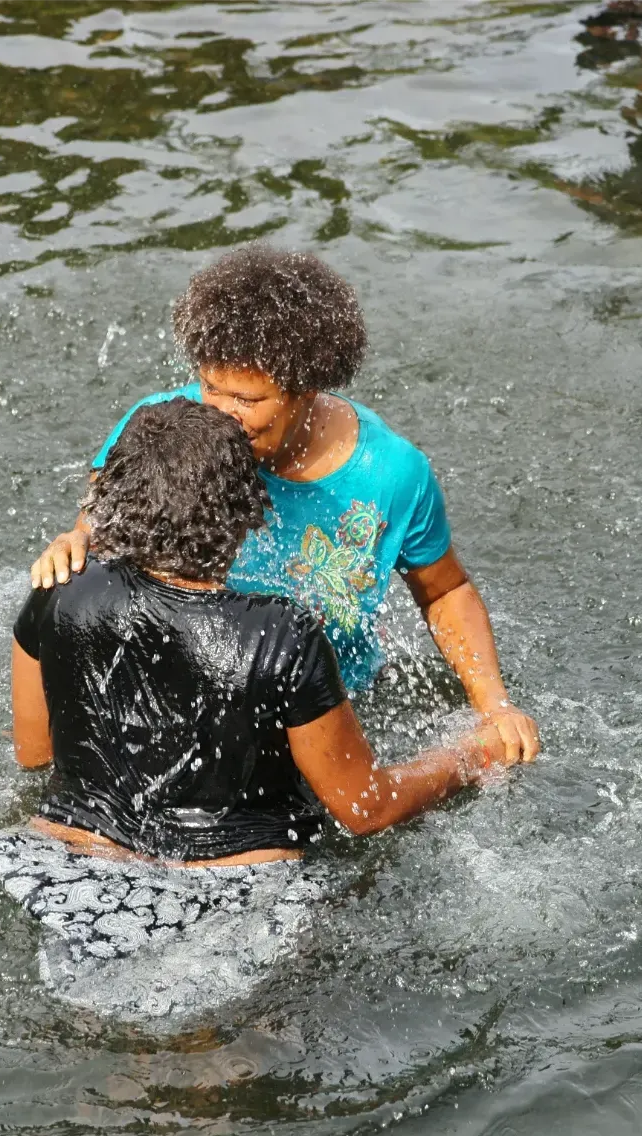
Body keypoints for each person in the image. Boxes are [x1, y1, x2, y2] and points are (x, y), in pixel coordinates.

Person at [31, 245, 541, 765]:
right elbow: (102, 527)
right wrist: (78, 540)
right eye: (210, 387)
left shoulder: (392, 475)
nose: (222, 414)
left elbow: (445, 592)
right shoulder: (164, 433)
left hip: (329, 711)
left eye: (247, 400)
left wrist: (494, 707)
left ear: (307, 388)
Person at [8, 397, 522, 871]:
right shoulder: (283, 636)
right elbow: (366, 809)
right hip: (233, 891)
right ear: (245, 514)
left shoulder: (58, 588)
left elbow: (35, 755)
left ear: (117, 500)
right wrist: (470, 755)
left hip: (58, 864)